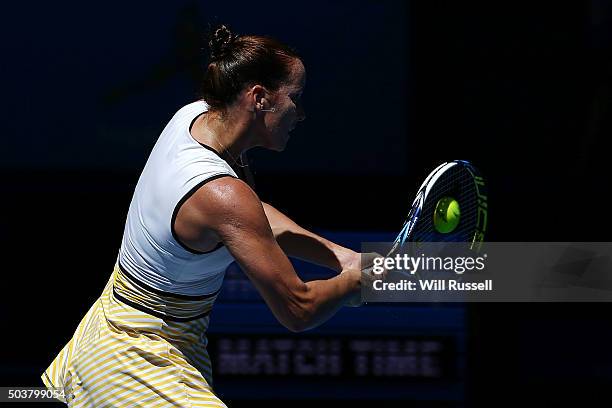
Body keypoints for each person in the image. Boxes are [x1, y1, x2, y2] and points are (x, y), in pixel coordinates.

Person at [41, 25, 365, 407]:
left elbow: (253, 217)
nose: (301, 113)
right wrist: (362, 279)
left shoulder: (198, 118)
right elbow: (299, 308)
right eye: (296, 97)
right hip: (131, 359)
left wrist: (343, 258)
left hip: (135, 334)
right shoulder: (222, 194)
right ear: (259, 98)